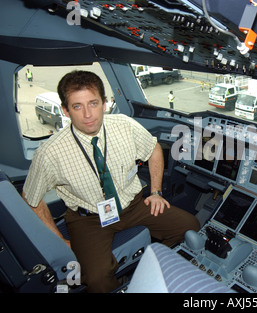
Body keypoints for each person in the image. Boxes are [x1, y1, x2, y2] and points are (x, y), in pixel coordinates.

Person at [21, 70, 200, 293]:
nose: (88, 114)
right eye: (77, 106)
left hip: (134, 206)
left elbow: (153, 148)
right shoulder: (50, 153)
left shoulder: (124, 125)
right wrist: (58, 240)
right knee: (97, 279)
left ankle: (148, 268)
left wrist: (155, 192)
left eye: (93, 103)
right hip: (88, 220)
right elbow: (30, 197)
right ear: (66, 110)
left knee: (190, 227)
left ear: (104, 103)